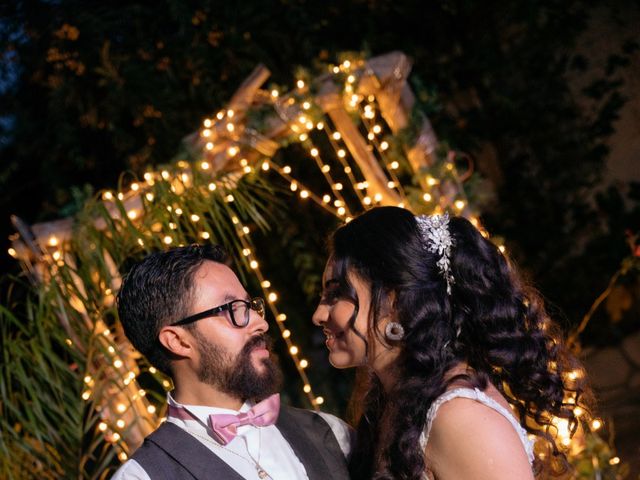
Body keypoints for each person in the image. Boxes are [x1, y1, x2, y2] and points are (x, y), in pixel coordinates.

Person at [312, 206, 590, 480]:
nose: (318, 315)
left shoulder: (460, 418)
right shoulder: (393, 403)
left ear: (393, 300)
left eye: (336, 294)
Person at [112, 244, 352, 480]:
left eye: (250, 306)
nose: (260, 323)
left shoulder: (330, 433)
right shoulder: (142, 476)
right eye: (233, 309)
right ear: (177, 341)